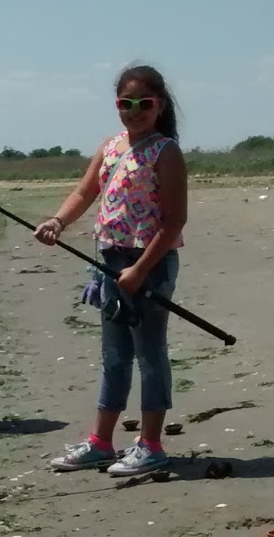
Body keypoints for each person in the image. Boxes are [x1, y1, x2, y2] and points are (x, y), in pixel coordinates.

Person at [34, 63, 187, 477]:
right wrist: (57, 222)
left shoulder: (165, 151)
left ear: (159, 106)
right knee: (114, 355)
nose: (134, 110)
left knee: (150, 355)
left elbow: (174, 222)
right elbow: (85, 191)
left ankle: (151, 445)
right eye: (125, 103)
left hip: (149, 264)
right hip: (108, 262)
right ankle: (101, 442)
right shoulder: (112, 145)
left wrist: (140, 270)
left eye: (144, 103)